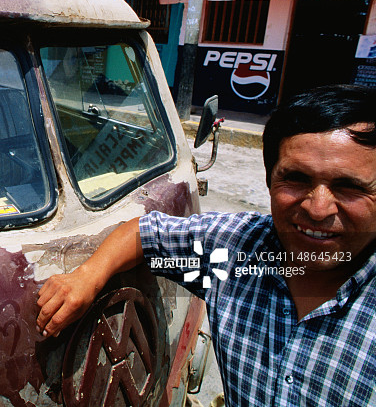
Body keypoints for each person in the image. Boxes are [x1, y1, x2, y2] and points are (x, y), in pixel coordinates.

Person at [37, 84, 376, 406]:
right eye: (296, 180)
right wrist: (87, 276)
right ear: (270, 179)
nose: (318, 209)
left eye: (349, 187)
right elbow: (144, 233)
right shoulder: (238, 247)